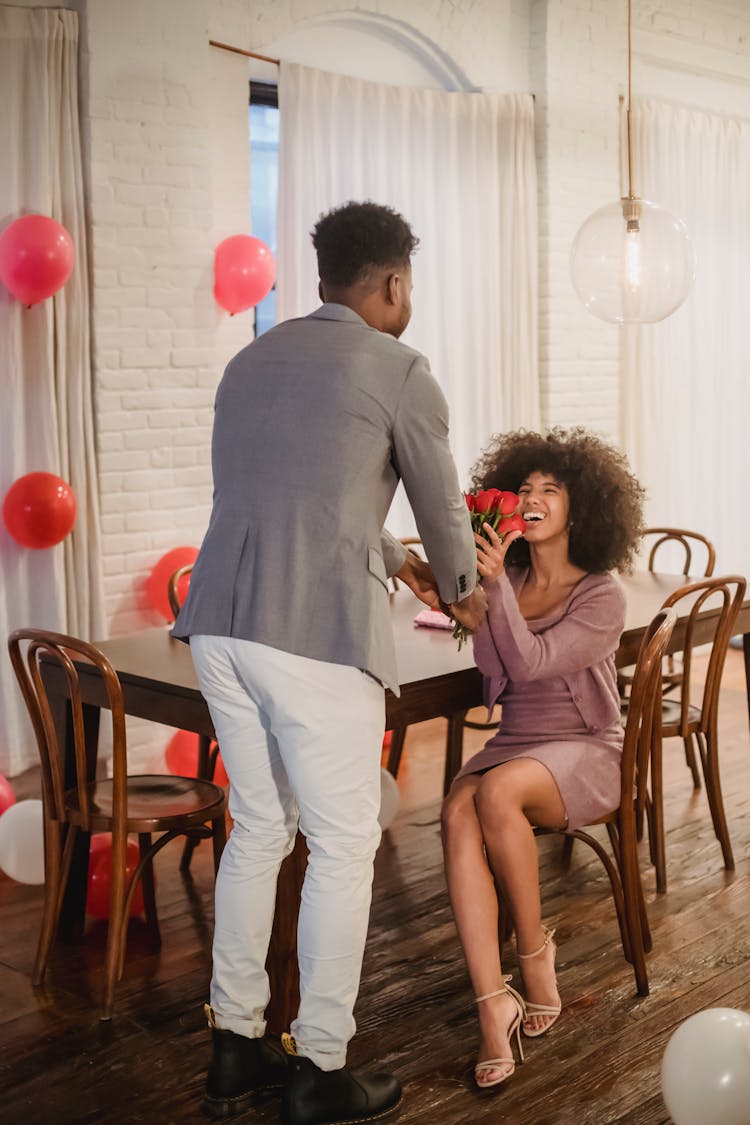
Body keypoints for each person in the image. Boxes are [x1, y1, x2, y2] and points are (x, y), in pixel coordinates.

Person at [172, 200, 487, 1124]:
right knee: (345, 842)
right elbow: (442, 503)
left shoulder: (250, 360)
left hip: (221, 623)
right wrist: (464, 587)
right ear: (392, 285)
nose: (410, 302)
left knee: (261, 828)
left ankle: (235, 1044)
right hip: (310, 632)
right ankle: (318, 1064)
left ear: (321, 277)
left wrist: (398, 560)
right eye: (410, 287)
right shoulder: (399, 368)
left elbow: (292, 494)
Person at [441, 427, 645, 1091]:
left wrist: (493, 593)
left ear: (578, 507)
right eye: (522, 488)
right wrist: (473, 602)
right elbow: (498, 672)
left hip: (587, 747)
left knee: (495, 793)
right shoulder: (512, 576)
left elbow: (530, 661)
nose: (531, 498)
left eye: (549, 490)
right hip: (519, 740)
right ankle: (491, 1000)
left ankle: (534, 956)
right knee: (457, 808)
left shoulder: (603, 594)